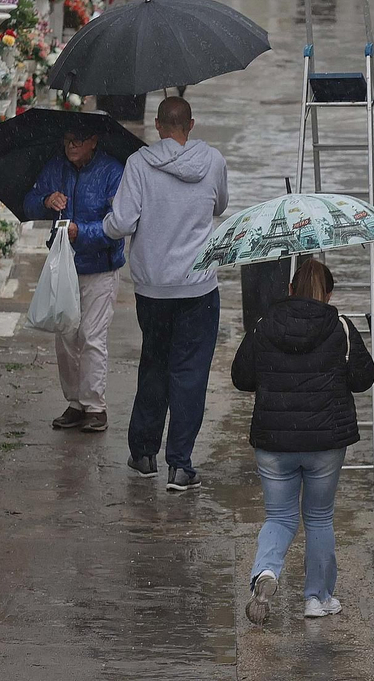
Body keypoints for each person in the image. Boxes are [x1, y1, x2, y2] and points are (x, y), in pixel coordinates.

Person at [232, 257, 374, 624]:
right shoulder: (340, 326)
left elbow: (242, 376)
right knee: (319, 517)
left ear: (290, 290)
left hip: (274, 441)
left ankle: (266, 573)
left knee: (279, 517)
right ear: (328, 294)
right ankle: (318, 598)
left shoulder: (264, 324)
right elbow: (363, 378)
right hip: (326, 441)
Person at [102, 96, 229, 491]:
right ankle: (180, 465)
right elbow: (220, 206)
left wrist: (104, 222)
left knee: (154, 364)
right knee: (190, 373)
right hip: (198, 288)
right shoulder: (213, 163)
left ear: (157, 125)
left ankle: (143, 454)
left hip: (153, 290)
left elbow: (121, 222)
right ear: (191, 126)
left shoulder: (139, 164)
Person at [23, 123, 126, 433]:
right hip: (63, 266)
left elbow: (119, 224)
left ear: (93, 141)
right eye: (67, 141)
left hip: (100, 269)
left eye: (78, 141)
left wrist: (82, 232)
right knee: (66, 337)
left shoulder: (112, 172)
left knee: (92, 337)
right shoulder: (56, 167)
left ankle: (96, 406)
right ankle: (76, 403)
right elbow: (29, 202)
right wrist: (45, 200)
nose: (71, 147)